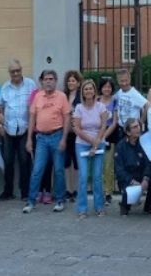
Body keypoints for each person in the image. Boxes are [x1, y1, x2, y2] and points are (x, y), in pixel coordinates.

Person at [23, 70, 72, 214]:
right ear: (42, 81)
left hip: (57, 136)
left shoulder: (62, 97)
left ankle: (60, 200)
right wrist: (29, 140)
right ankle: (31, 201)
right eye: (46, 79)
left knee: (58, 170)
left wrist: (64, 139)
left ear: (56, 81)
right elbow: (32, 118)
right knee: (37, 170)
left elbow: (67, 118)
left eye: (51, 79)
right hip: (41, 139)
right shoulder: (37, 97)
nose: (49, 81)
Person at [0, 60, 36, 201]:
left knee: (25, 161)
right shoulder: (5, 87)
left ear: (21, 70)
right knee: (8, 161)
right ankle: (8, 192)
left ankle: (25, 192)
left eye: (18, 70)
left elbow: (35, 105)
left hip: (25, 129)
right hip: (8, 129)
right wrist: (0, 126)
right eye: (13, 71)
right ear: (10, 73)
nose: (16, 73)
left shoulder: (31, 84)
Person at [73, 79, 109, 219]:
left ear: (95, 91)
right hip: (82, 143)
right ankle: (82, 209)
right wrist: (91, 141)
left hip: (98, 143)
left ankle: (99, 207)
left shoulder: (101, 107)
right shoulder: (78, 108)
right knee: (83, 176)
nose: (88, 91)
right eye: (85, 89)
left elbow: (103, 126)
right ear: (82, 92)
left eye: (90, 88)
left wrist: (96, 144)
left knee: (97, 176)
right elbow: (77, 128)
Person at [115, 118, 151, 215]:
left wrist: (145, 178)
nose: (138, 129)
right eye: (134, 127)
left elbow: (149, 163)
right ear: (128, 132)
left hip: (141, 175)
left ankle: (148, 206)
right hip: (128, 178)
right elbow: (119, 170)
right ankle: (125, 205)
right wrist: (131, 181)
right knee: (127, 190)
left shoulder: (144, 143)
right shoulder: (120, 146)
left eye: (138, 126)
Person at [98, 77, 119, 206]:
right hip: (96, 134)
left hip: (110, 135)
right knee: (97, 165)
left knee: (108, 165)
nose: (107, 89)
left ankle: (108, 192)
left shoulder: (115, 101)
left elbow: (115, 122)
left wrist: (104, 136)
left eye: (109, 87)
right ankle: (98, 190)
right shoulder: (96, 101)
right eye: (105, 86)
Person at [63, 70, 83, 202]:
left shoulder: (80, 98)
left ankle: (75, 189)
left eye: (73, 81)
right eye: (69, 80)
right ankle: (67, 189)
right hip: (65, 133)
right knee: (66, 162)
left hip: (77, 134)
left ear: (78, 83)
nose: (71, 83)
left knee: (76, 163)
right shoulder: (63, 96)